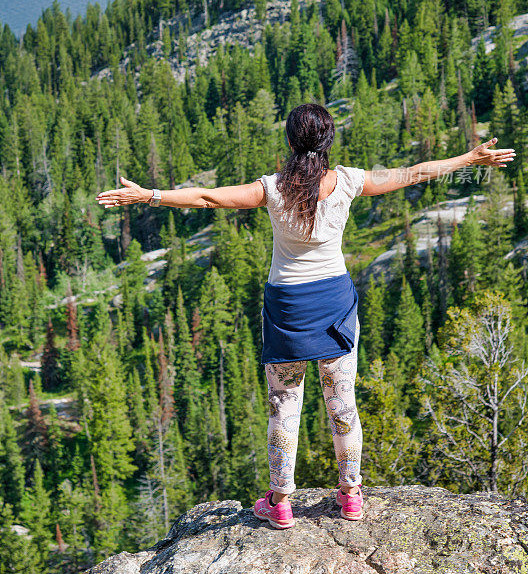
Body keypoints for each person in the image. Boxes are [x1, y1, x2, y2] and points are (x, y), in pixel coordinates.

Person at [96, 103, 515, 531]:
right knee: (343, 405)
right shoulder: (350, 181)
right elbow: (413, 172)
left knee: (284, 407)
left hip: (287, 310)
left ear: (291, 142)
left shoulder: (272, 189)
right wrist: (471, 158)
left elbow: (207, 197)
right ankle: (350, 495)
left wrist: (149, 195)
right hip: (334, 305)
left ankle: (280, 503)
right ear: (328, 141)